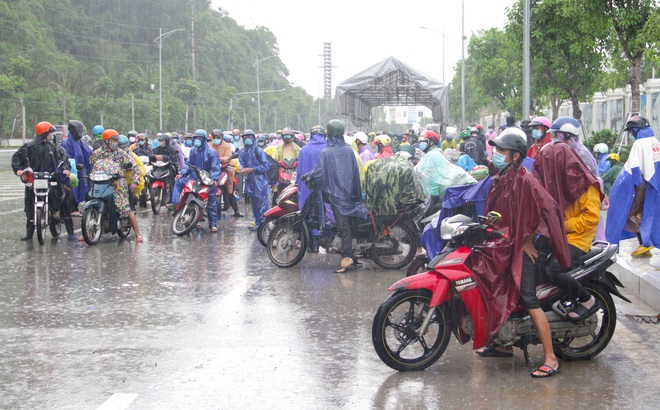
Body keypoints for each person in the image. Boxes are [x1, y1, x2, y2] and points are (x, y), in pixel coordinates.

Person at [471, 128, 571, 378]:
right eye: (496, 150)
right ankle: (503, 344)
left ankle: (550, 357)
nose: (496, 154)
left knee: (527, 299)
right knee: (497, 287)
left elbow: (548, 208)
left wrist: (528, 240)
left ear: (515, 156)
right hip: (504, 246)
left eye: (502, 151)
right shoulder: (500, 178)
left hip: (522, 251)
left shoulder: (526, 180)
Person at [533, 142, 601, 321]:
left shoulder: (587, 185)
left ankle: (587, 299)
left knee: (553, 270)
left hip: (577, 240)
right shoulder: (557, 184)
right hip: (557, 236)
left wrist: (563, 225)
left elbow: (591, 219)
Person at [304, 120, 368, 273]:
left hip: (336, 196)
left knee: (343, 226)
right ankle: (351, 254)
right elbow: (355, 173)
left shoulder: (326, 152)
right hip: (350, 194)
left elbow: (319, 173)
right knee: (348, 226)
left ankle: (347, 259)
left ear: (329, 133)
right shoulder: (349, 151)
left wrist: (308, 176)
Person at [606, 115, 660, 257]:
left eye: (631, 132)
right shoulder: (654, 141)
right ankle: (645, 244)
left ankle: (644, 243)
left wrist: (631, 189)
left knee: (630, 213)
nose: (630, 135)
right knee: (648, 212)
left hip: (642, 184)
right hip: (654, 185)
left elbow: (635, 168)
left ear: (636, 130)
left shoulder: (639, 144)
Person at [12, 121, 71, 241]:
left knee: (59, 198)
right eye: (50, 132)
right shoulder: (29, 147)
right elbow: (16, 158)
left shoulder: (53, 148)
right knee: (30, 205)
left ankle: (56, 216)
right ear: (44, 133)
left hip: (50, 179)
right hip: (34, 180)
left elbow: (61, 160)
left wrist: (65, 169)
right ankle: (29, 233)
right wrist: (18, 170)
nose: (51, 135)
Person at [89, 129, 143, 242]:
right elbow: (92, 165)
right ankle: (87, 231)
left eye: (116, 141)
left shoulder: (121, 154)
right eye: (114, 140)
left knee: (124, 206)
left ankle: (138, 234)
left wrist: (135, 181)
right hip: (101, 182)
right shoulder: (97, 153)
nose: (115, 143)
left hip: (118, 183)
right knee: (90, 199)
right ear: (107, 141)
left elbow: (135, 168)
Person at [170, 130, 221, 232]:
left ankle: (213, 224)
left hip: (207, 181)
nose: (197, 140)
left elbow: (215, 168)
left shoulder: (212, 153)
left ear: (203, 140)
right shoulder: (193, 151)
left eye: (199, 138)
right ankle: (176, 204)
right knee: (180, 181)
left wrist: (214, 180)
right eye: (195, 138)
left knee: (211, 202)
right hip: (194, 179)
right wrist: (182, 173)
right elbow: (188, 165)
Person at [415, 130, 476, 208]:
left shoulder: (432, 155)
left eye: (423, 141)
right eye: (420, 142)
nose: (421, 144)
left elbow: (432, 179)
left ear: (431, 142)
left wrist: (431, 200)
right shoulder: (430, 154)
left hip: (438, 194)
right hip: (435, 192)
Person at [297, 125, 328, 252]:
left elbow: (299, 172)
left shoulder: (304, 150)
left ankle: (312, 244)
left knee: (308, 212)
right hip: (325, 187)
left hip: (307, 187)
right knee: (325, 212)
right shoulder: (328, 149)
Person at [238, 129, 271, 231]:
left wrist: (252, 169)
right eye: (245, 137)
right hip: (250, 181)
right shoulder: (243, 151)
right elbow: (241, 163)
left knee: (262, 205)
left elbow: (266, 166)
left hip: (260, 181)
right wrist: (242, 169)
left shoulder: (258, 151)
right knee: (255, 205)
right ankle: (258, 224)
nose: (247, 139)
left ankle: (262, 225)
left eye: (249, 137)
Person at [118, 135, 146, 241]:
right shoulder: (109, 155)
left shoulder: (131, 156)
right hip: (114, 182)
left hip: (130, 184)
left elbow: (140, 170)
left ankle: (137, 234)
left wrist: (134, 180)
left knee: (127, 207)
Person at [210, 129, 243, 217]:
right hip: (212, 169)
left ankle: (236, 211)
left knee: (229, 189)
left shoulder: (226, 146)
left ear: (221, 138)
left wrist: (220, 160)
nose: (216, 139)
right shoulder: (209, 145)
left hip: (224, 168)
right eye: (214, 137)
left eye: (218, 137)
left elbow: (228, 156)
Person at [61, 120, 92, 214]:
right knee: (74, 191)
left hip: (82, 172)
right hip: (73, 173)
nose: (82, 133)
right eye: (80, 130)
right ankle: (72, 209)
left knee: (84, 189)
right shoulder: (67, 143)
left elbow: (89, 153)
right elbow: (66, 158)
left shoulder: (79, 142)